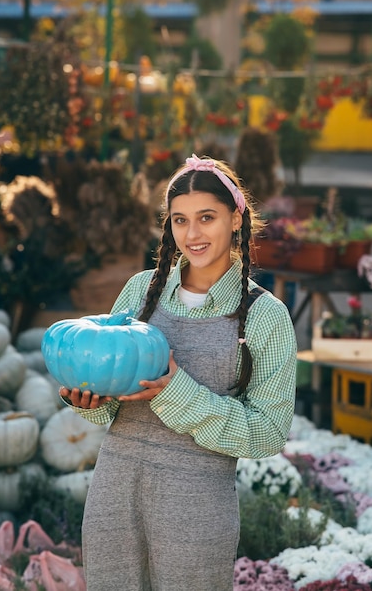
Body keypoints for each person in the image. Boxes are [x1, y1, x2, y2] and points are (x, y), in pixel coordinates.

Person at [60, 153, 297, 591]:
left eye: (206, 217)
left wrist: (175, 393)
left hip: (198, 504)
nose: (192, 234)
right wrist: (89, 400)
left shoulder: (265, 317)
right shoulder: (140, 291)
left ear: (235, 220)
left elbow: (268, 433)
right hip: (115, 489)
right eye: (179, 220)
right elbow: (109, 407)